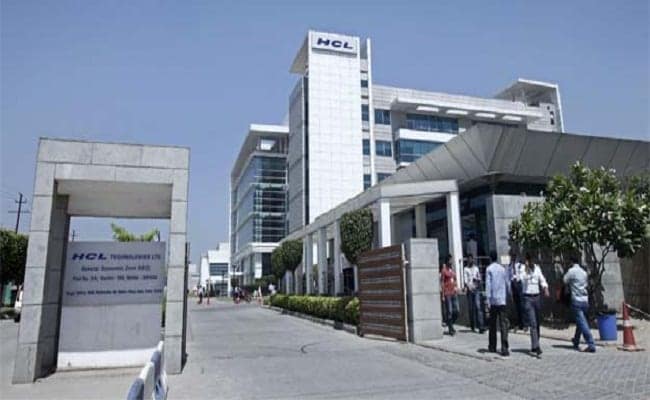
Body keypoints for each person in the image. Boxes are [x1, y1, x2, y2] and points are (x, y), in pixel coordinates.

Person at [563, 256, 596, 353]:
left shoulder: (571, 271)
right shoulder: (584, 272)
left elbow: (564, 280)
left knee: (582, 323)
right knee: (580, 321)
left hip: (576, 300)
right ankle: (576, 340)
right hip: (585, 300)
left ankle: (591, 344)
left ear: (571, 262)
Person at [519, 253, 550, 356]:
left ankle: (534, 344)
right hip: (527, 297)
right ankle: (536, 346)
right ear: (527, 260)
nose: (532, 262)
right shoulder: (523, 269)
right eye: (530, 260)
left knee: (537, 322)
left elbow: (542, 279)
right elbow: (522, 279)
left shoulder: (537, 268)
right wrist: (526, 270)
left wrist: (545, 288)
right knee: (533, 323)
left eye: (533, 260)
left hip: (537, 297)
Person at [485, 251, 510, 356]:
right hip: (502, 299)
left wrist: (487, 300)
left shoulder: (489, 269)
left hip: (493, 300)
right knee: (503, 324)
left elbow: (488, 285)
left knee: (493, 324)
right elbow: (507, 283)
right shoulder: (502, 269)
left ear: (490, 258)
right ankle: (504, 348)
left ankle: (492, 346)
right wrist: (508, 295)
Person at [463, 255, 484, 333]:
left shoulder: (476, 268)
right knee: (471, 308)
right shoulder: (466, 269)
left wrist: (477, 281)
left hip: (476, 289)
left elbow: (479, 278)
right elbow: (465, 280)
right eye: (469, 259)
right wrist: (469, 287)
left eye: (471, 259)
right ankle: (472, 324)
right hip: (470, 290)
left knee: (478, 307)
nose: (470, 260)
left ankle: (481, 326)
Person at [508, 251, 527, 331]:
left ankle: (525, 323)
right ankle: (519, 323)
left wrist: (517, 280)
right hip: (513, 285)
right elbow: (509, 276)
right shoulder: (510, 266)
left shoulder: (520, 265)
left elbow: (523, 276)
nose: (513, 258)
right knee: (517, 306)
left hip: (519, 285)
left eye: (514, 256)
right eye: (511, 256)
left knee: (522, 305)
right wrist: (510, 288)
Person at [440, 254, 459, 336]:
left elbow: (455, 279)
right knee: (449, 311)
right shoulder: (444, 271)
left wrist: (456, 287)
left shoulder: (452, 270)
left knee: (457, 310)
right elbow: (442, 282)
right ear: (447, 261)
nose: (451, 262)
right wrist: (443, 294)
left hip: (453, 292)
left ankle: (450, 323)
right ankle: (451, 328)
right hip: (447, 293)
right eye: (450, 260)